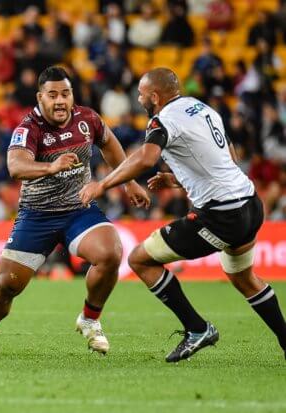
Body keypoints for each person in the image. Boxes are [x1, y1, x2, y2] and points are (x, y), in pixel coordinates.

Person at [78, 68, 286, 362]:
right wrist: (178, 179)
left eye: (141, 93)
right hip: (250, 204)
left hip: (220, 215)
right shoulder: (204, 109)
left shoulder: (163, 119)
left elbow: (146, 158)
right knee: (244, 277)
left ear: (154, 96)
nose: (138, 98)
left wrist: (104, 183)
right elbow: (228, 159)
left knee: (140, 259)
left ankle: (196, 328)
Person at [0, 66, 150, 356]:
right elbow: (16, 166)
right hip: (37, 215)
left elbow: (110, 145)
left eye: (65, 93)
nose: (60, 100)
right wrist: (50, 166)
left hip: (78, 210)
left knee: (110, 252)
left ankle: (90, 319)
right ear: (40, 97)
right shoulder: (29, 128)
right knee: (7, 287)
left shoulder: (88, 119)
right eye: (53, 95)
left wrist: (129, 183)